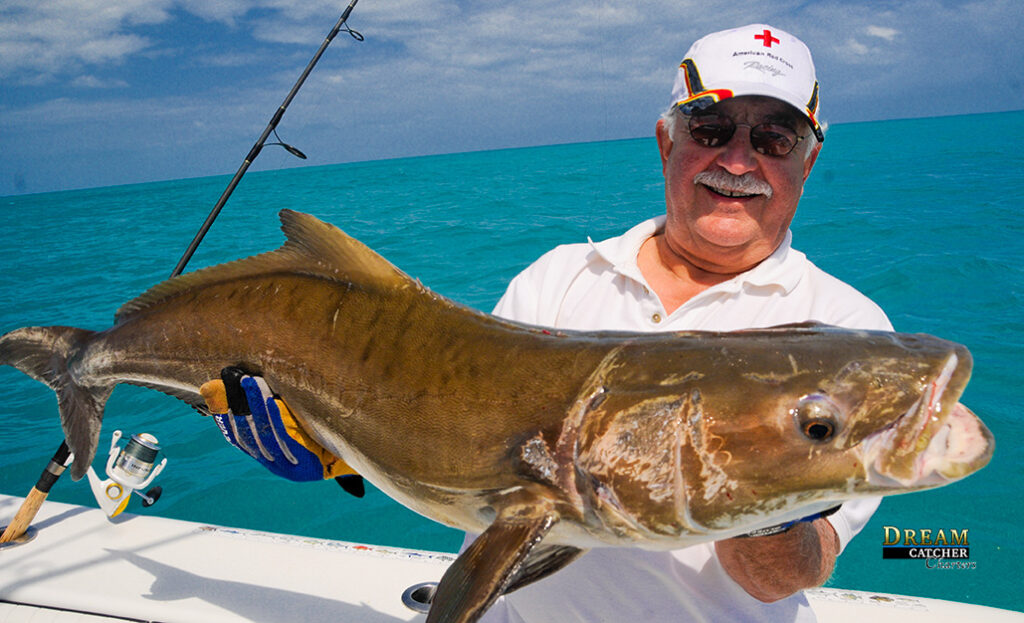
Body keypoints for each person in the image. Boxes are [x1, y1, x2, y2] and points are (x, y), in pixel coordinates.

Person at [204, 23, 891, 622]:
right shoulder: (560, 276)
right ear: (666, 140)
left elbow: (782, 577)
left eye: (775, 137)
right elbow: (458, 440)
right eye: (711, 128)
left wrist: (772, 492)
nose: (739, 160)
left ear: (809, 157)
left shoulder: (845, 336)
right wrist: (334, 449)